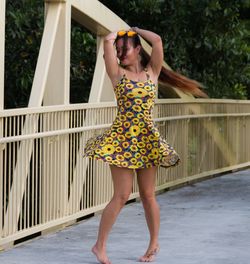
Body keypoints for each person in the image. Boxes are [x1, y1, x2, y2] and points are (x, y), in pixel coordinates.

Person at [83, 27, 206, 263]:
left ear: (138, 49)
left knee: (149, 195)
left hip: (147, 141)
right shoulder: (117, 73)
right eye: (119, 51)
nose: (121, 55)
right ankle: (99, 246)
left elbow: (158, 41)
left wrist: (135, 30)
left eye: (125, 50)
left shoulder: (153, 73)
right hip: (121, 140)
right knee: (121, 195)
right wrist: (115, 37)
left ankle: (153, 244)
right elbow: (107, 46)